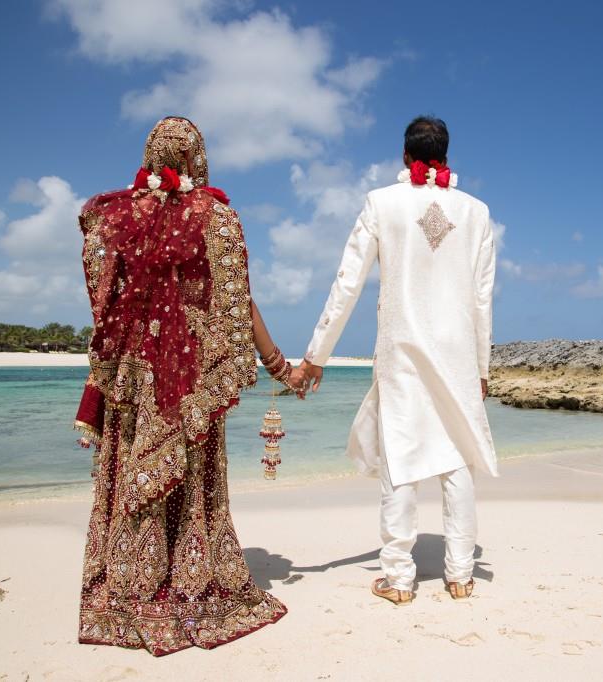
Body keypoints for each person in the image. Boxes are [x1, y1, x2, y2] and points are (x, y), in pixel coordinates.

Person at [72, 117, 295, 655]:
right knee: (193, 478)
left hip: (134, 372)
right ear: (198, 158)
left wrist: (138, 329)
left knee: (130, 470)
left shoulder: (113, 214)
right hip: (191, 372)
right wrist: (277, 364)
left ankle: (127, 588)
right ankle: (191, 586)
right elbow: (237, 301)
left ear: (151, 157)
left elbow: (100, 286)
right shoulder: (217, 217)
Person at [290, 116, 498, 605]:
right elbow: (483, 298)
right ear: (446, 154)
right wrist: (483, 367)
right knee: (458, 458)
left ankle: (400, 578)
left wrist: (316, 355)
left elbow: (348, 283)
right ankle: (461, 574)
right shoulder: (476, 212)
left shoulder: (381, 203)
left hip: (401, 347)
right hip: (457, 350)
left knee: (400, 456)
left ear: (405, 156)